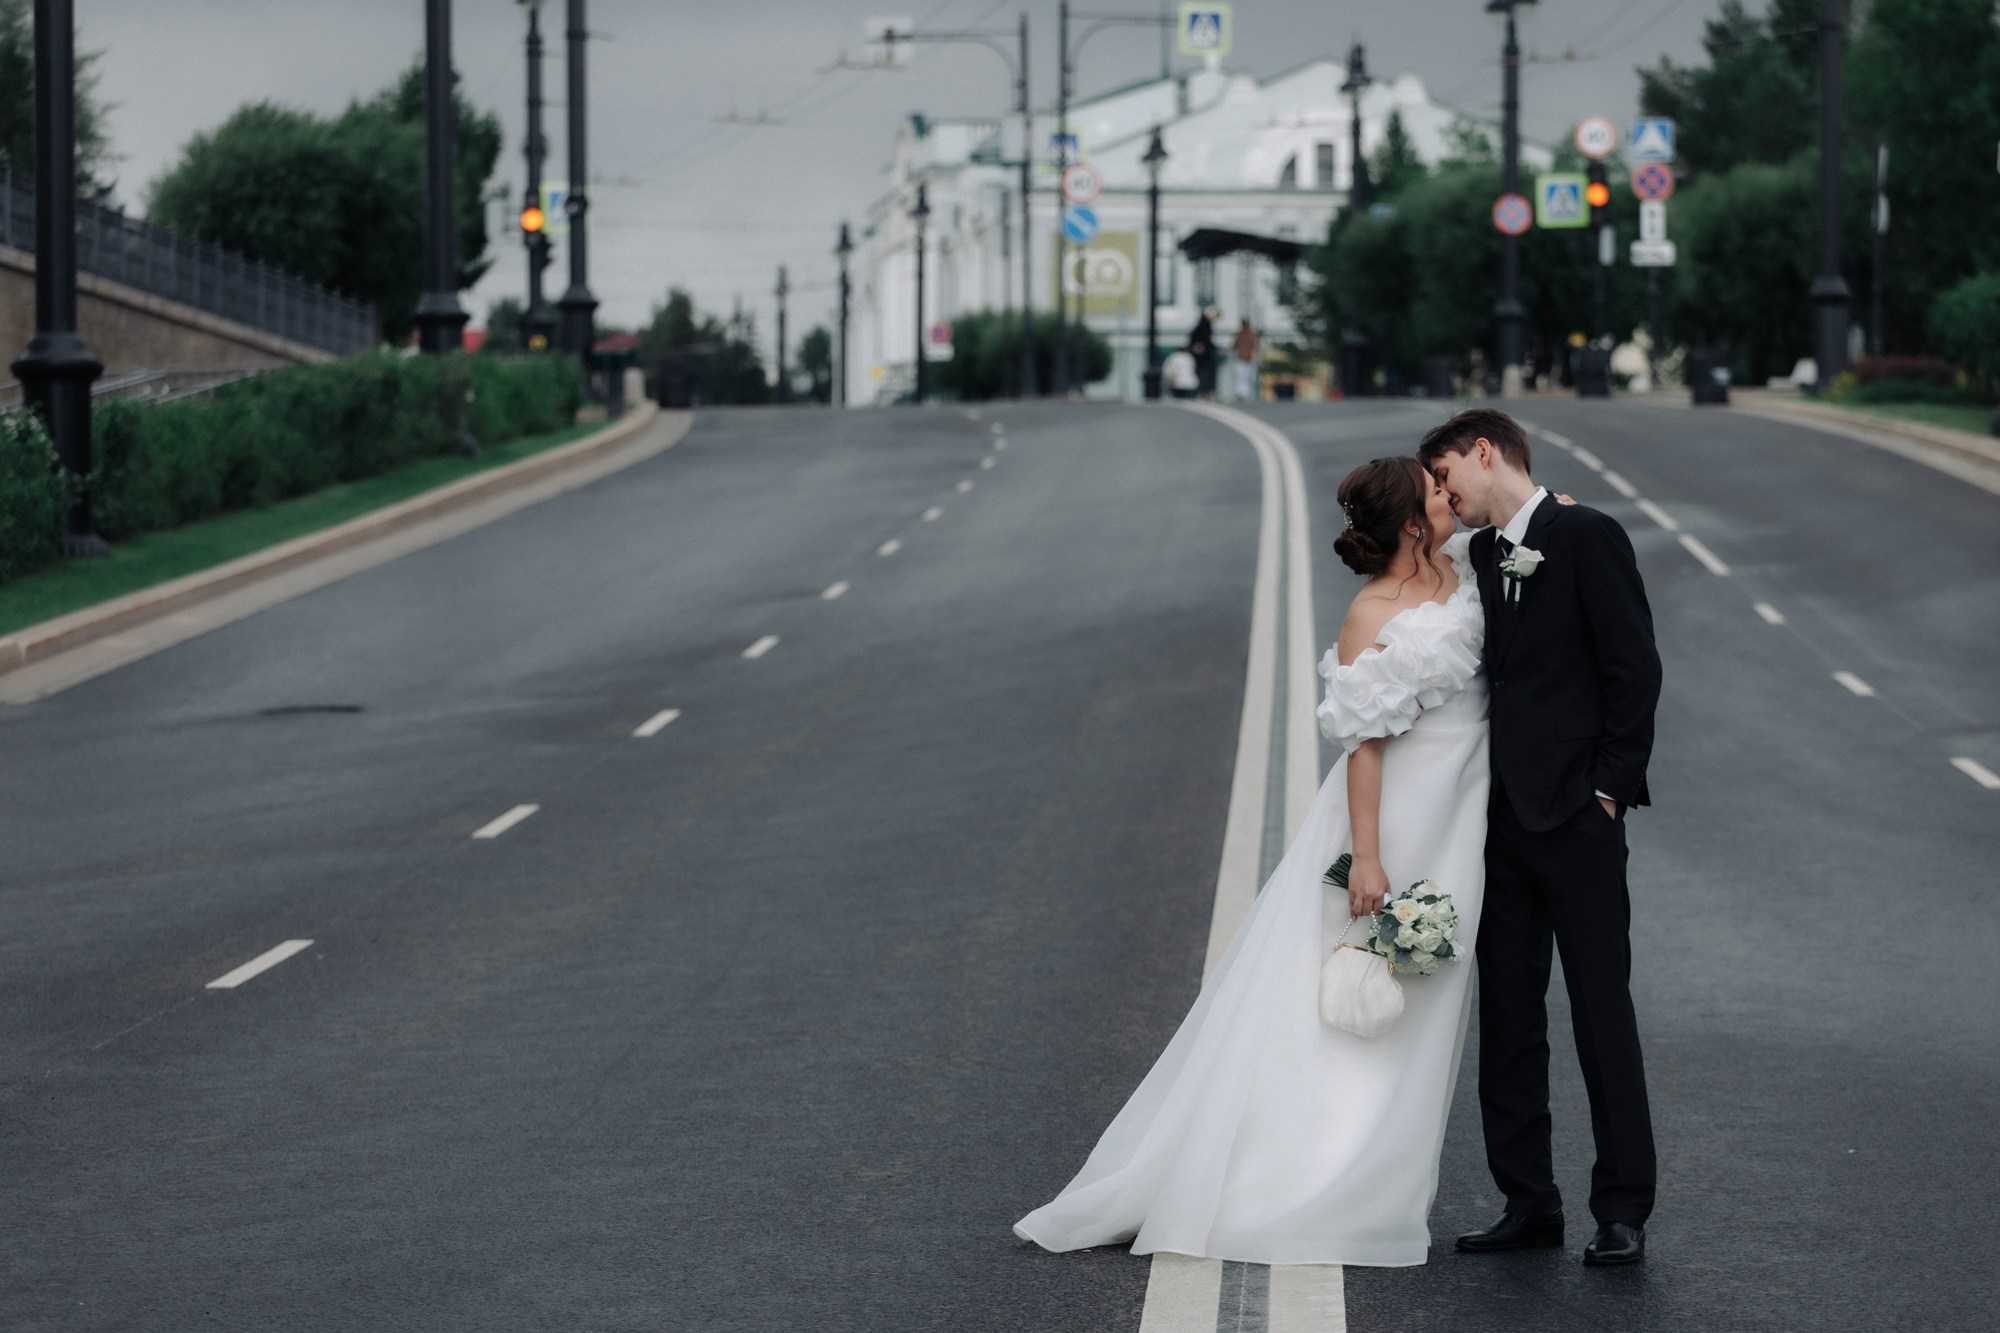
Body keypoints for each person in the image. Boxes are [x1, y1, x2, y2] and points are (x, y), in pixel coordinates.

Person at [1014, 457, 1489, 1265]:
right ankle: (1304, 1176)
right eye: (1436, 491)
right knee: (1355, 999)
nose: (1451, 494)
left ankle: (1375, 1171)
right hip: (1399, 821)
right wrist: (1367, 857)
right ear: (1413, 521)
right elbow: (1365, 747)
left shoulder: (1468, 568)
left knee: (1428, 1009)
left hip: (1461, 810)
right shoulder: (1369, 613)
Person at [1418, 408, 1661, 1268]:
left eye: (1448, 476)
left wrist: (1608, 790)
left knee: (1602, 1014)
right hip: (1501, 825)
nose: (1445, 495)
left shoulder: (1587, 533)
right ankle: (1529, 1202)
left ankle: (1622, 1206)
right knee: (1510, 1018)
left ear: (1486, 450)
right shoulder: (1480, 554)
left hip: (1579, 821)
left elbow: (1635, 667)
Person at [1188, 308, 1218, 400]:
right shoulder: (1203, 326)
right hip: (1202, 356)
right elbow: (1201, 340)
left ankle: (1205, 392)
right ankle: (1204, 392)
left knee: (1205, 374)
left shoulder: (1204, 325)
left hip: (1204, 355)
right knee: (1205, 374)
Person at [1230, 318, 1259, 403]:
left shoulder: (1239, 334)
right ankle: (1244, 394)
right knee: (1246, 377)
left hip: (1241, 358)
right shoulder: (1252, 334)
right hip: (1248, 359)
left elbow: (1234, 345)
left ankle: (1241, 393)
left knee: (1240, 377)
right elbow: (1255, 346)